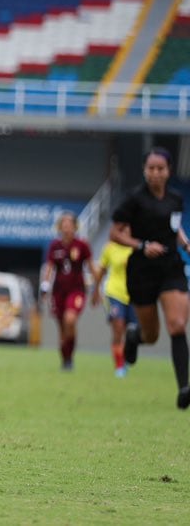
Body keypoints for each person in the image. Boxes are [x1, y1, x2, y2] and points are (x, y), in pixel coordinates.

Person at [109, 147, 190, 409]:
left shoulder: (176, 199)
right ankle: (134, 337)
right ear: (145, 170)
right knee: (151, 335)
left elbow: (174, 228)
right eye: (151, 168)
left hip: (170, 267)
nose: (156, 173)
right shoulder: (134, 199)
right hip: (142, 270)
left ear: (168, 171)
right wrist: (141, 245)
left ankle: (184, 389)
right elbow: (114, 233)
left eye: (161, 168)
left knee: (177, 325)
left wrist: (185, 243)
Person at [39, 211, 99, 371]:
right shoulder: (55, 246)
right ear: (59, 228)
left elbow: (92, 267)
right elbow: (50, 267)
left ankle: (69, 358)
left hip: (77, 290)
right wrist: (45, 285)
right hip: (59, 291)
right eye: (63, 226)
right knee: (62, 330)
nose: (66, 229)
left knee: (70, 320)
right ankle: (66, 360)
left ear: (75, 227)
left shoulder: (82, 245)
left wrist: (97, 290)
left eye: (69, 225)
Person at [92, 239, 137, 378]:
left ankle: (128, 352)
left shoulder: (137, 246)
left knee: (133, 331)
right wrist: (96, 291)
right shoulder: (110, 247)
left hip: (135, 293)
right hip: (114, 293)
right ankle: (119, 366)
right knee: (118, 328)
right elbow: (102, 270)